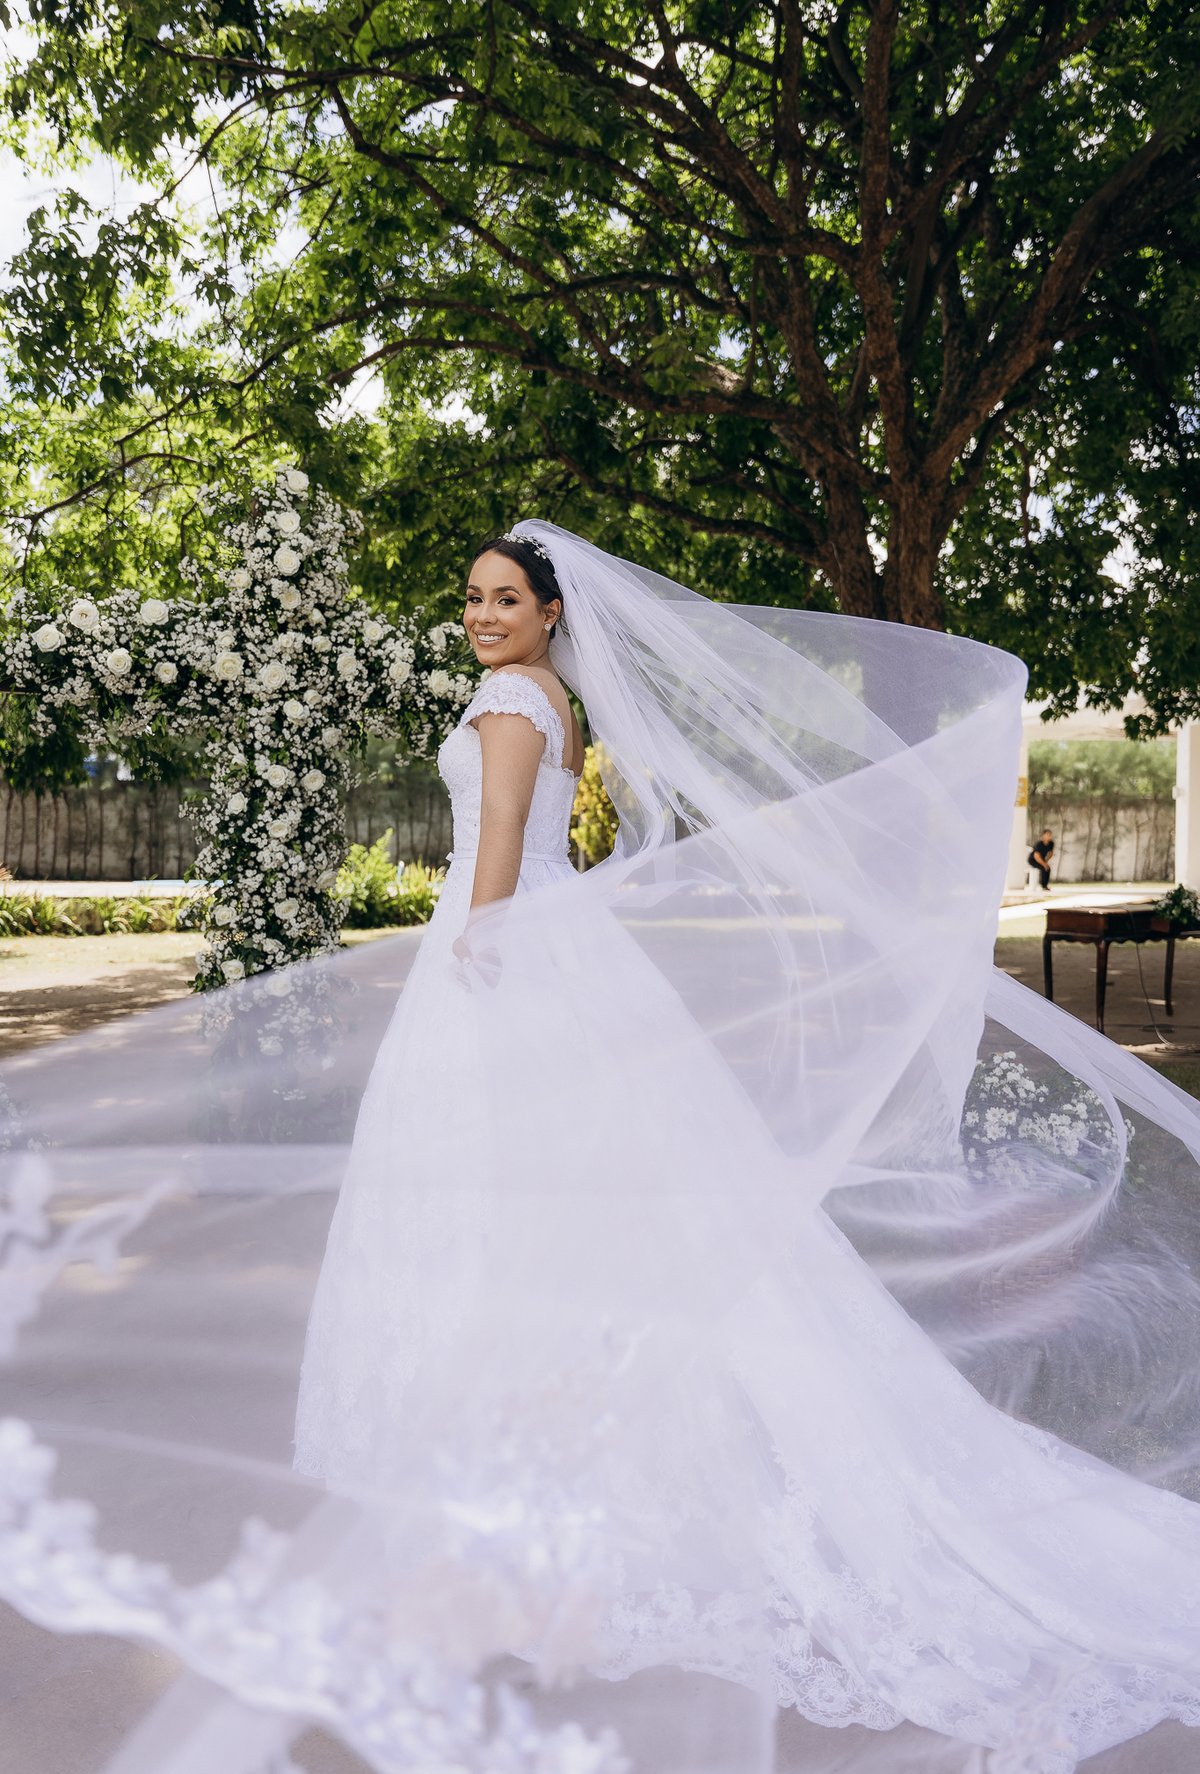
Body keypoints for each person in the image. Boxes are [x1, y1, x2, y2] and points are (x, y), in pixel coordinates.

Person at [8, 523, 1200, 1774]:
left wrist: (468, 954)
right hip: (548, 957)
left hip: (501, 965)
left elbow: (506, 847)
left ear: (550, 609)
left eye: (505, 598)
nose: (482, 615)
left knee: (496, 1219)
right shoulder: (552, 696)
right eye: (470, 597)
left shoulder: (513, 704)